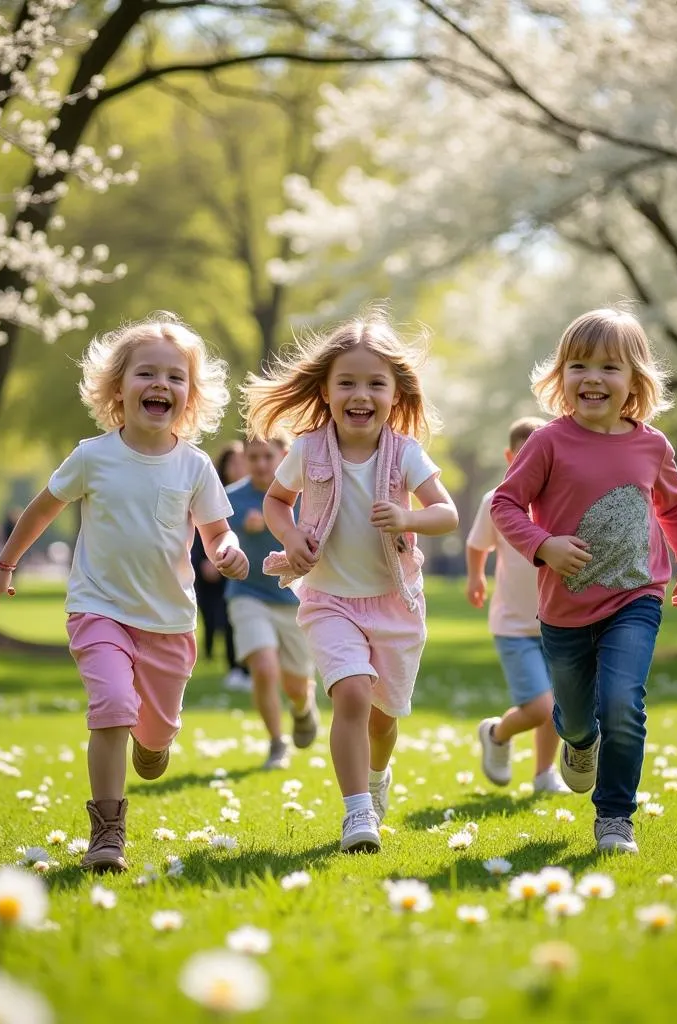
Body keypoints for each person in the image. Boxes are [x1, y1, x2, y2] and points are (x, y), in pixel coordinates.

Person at [0, 312, 249, 873]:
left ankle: (154, 742)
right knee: (113, 708)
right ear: (117, 388)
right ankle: (108, 833)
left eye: (175, 377)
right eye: (146, 373)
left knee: (153, 738)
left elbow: (216, 530)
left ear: (189, 396)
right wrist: (4, 565)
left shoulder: (195, 466)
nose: (160, 385)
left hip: (169, 622)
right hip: (99, 610)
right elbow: (42, 508)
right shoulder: (92, 456)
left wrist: (225, 551)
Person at [243, 310, 458, 853]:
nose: (360, 394)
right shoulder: (308, 449)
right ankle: (357, 813)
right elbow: (275, 501)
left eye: (375, 384)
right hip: (329, 600)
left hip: (395, 604)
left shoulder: (405, 453)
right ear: (326, 390)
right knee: (352, 698)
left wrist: (410, 518)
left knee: (383, 721)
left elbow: (447, 513)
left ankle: (378, 777)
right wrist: (290, 537)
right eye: (347, 382)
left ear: (395, 394)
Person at [491, 306, 677, 856]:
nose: (592, 378)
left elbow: (676, 506)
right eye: (579, 365)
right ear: (561, 377)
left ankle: (614, 817)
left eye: (609, 367)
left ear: (635, 380)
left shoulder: (651, 445)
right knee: (580, 718)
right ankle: (578, 742)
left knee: (622, 702)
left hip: (637, 596)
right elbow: (506, 506)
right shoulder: (548, 443)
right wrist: (544, 545)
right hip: (563, 610)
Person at [466, 416, 570, 794]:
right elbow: (478, 543)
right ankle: (497, 733)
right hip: (513, 627)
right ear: (510, 457)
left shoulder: (562, 501)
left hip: (558, 622)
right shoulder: (496, 501)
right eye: (523, 454)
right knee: (540, 706)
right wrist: (476, 576)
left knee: (557, 706)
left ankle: (544, 774)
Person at [226, 436, 319, 769]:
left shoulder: (304, 497)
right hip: (247, 595)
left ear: (284, 456)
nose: (262, 464)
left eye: (268, 456)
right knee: (264, 668)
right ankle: (276, 744)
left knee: (295, 684)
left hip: (294, 598)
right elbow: (216, 537)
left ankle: (302, 708)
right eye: (254, 457)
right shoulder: (231, 499)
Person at [192, 441, 251, 692]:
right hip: (215, 565)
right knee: (218, 615)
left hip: (244, 569)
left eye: (242, 462)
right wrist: (208, 560)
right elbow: (202, 531)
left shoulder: (258, 495)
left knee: (238, 617)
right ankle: (230, 665)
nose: (239, 467)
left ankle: (244, 667)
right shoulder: (214, 491)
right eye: (233, 462)